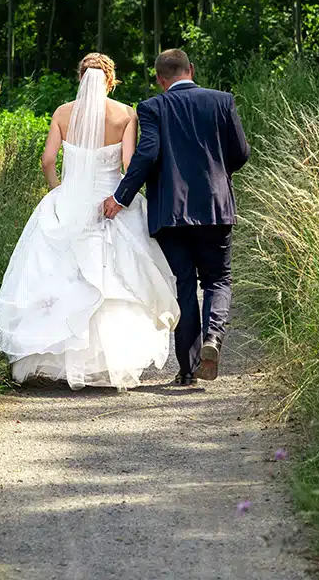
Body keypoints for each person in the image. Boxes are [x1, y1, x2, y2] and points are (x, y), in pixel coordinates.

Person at [0, 53, 180, 390]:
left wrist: (58, 190)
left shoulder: (62, 113)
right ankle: (106, 361)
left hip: (68, 200)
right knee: (112, 280)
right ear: (111, 80)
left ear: (80, 78)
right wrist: (122, 197)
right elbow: (129, 162)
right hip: (110, 202)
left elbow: (48, 159)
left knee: (57, 277)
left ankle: (51, 358)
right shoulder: (125, 115)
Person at [103, 49, 250, 386]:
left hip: (170, 212)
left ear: (159, 78)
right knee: (218, 279)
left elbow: (147, 154)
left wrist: (120, 197)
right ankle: (213, 337)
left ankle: (187, 370)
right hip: (215, 207)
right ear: (191, 70)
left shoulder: (152, 107)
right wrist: (215, 173)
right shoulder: (221, 101)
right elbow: (241, 153)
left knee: (183, 284)